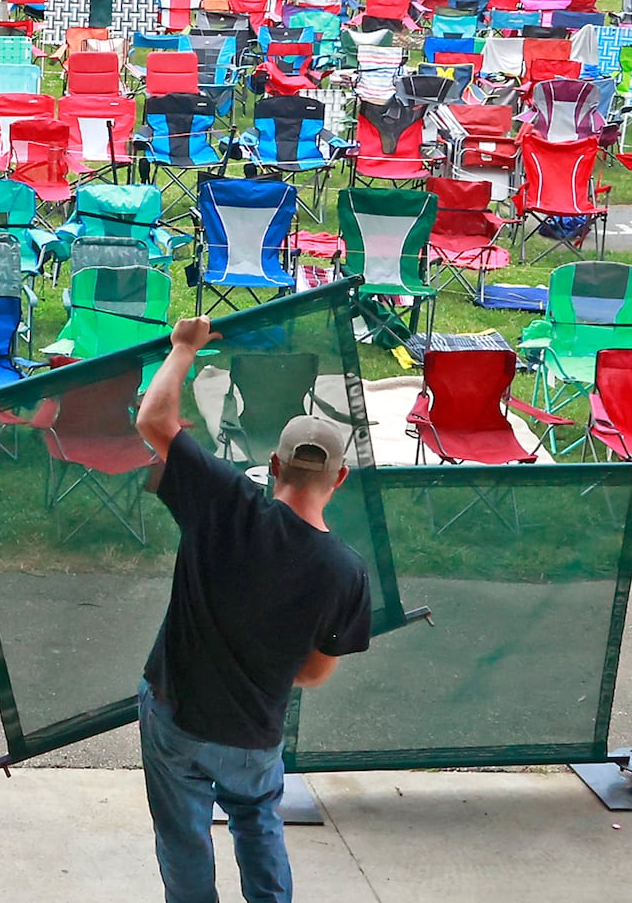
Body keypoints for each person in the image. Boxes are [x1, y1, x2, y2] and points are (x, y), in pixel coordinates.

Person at [134, 317, 373, 903]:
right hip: (254, 734)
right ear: (339, 478)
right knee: (257, 819)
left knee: (184, 838)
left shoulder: (225, 500)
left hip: (176, 715)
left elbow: (153, 421)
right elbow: (315, 673)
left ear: (274, 463)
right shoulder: (345, 571)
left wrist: (184, 347)